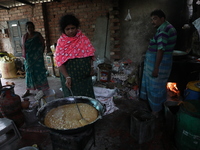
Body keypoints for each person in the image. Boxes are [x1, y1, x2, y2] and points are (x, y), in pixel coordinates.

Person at [139, 9, 177, 117]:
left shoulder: (164, 30)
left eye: (155, 19)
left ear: (162, 18)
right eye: (152, 19)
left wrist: (156, 68)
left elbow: (161, 50)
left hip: (159, 64)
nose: (152, 22)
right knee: (155, 86)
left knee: (156, 87)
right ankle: (155, 106)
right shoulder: (166, 27)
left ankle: (156, 111)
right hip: (158, 63)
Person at [54, 14, 95, 98]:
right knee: (73, 100)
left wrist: (91, 67)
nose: (71, 31)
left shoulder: (83, 39)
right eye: (67, 29)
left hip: (85, 79)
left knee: (87, 99)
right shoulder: (61, 42)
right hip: (71, 78)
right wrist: (67, 77)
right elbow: (59, 62)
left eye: (73, 28)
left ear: (77, 27)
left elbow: (90, 55)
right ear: (63, 30)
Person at [21, 21, 49, 97]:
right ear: (26, 28)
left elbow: (43, 44)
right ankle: (28, 90)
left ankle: (40, 90)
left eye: (31, 27)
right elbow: (23, 47)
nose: (30, 29)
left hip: (38, 58)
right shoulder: (24, 37)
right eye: (28, 27)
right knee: (29, 73)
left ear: (34, 28)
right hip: (29, 59)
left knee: (39, 73)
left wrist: (40, 53)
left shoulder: (38, 35)